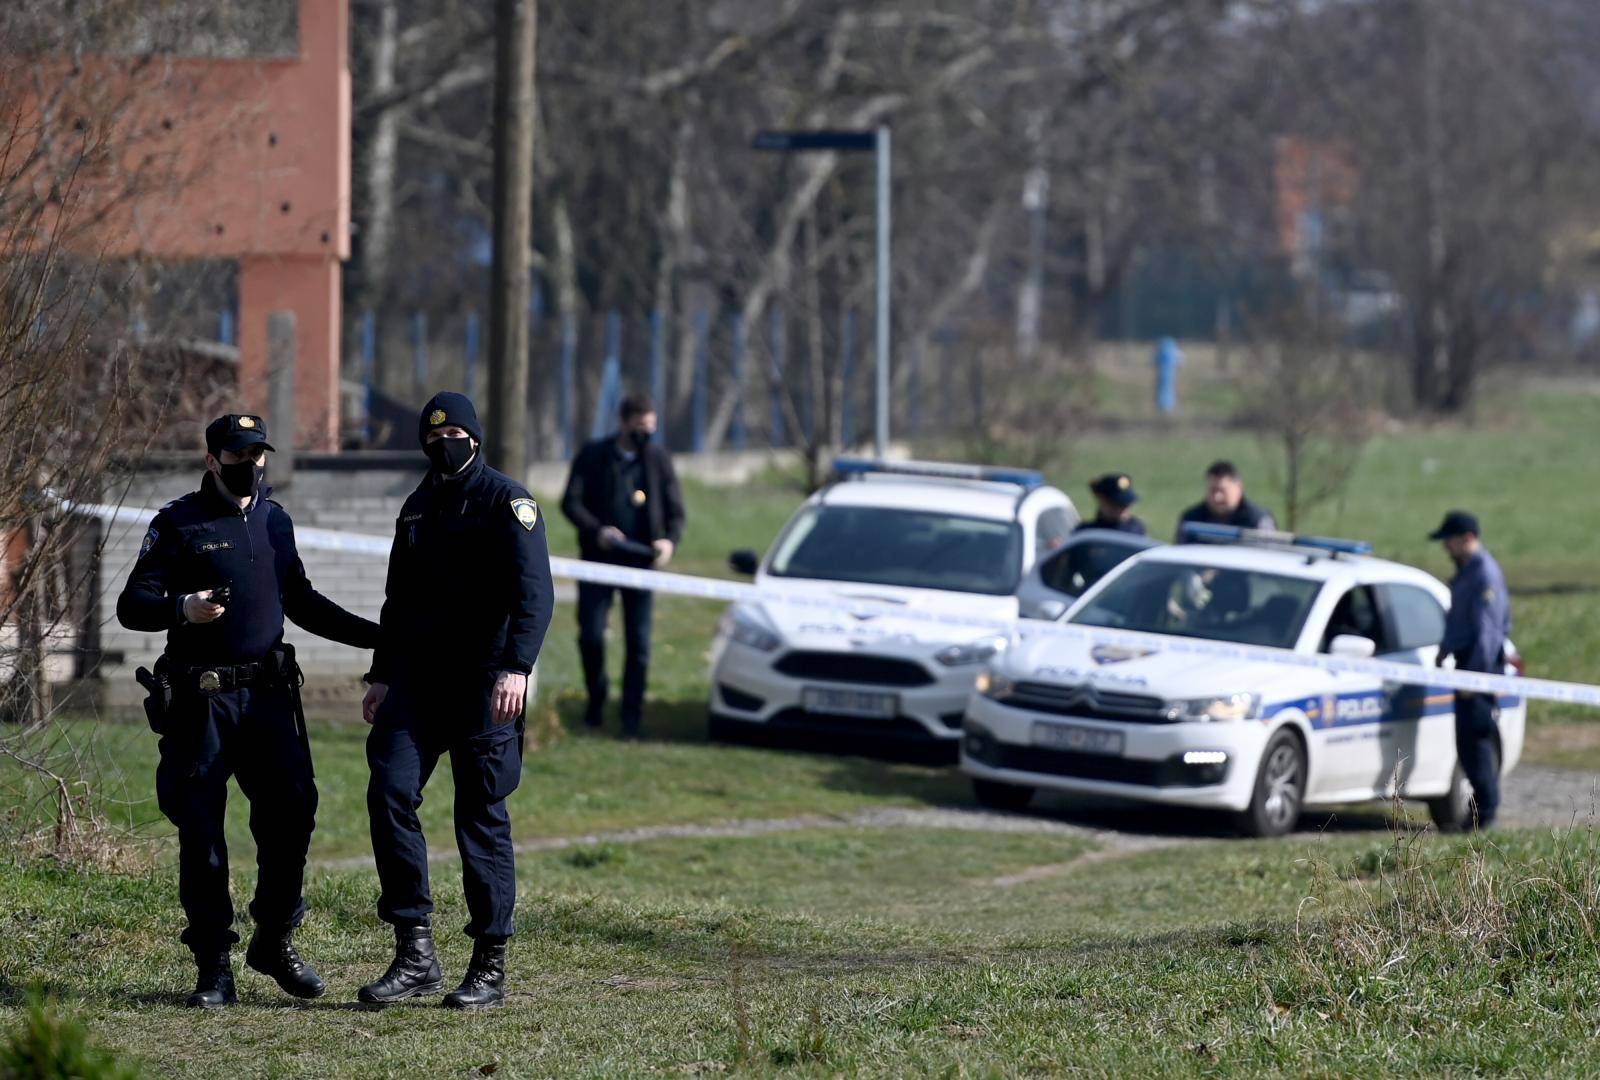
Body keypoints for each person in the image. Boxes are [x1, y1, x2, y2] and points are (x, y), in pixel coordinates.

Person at [116, 414, 380, 1009]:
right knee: (203, 834)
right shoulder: (177, 522)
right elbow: (133, 605)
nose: (250, 465)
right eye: (238, 455)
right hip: (201, 703)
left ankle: (274, 937)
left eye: (258, 453)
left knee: (293, 816)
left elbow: (303, 600)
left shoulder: (274, 519)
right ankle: (214, 967)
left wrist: (377, 638)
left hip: (267, 699)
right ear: (213, 460)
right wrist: (182, 608)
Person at [358, 392, 554, 1011]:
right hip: (417, 684)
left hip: (484, 688)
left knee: (480, 817)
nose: (445, 447)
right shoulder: (417, 508)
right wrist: (383, 675)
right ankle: (415, 952)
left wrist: (516, 667)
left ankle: (489, 965)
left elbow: (535, 594)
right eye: (434, 440)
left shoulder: (508, 502)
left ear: (475, 439)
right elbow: (398, 599)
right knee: (389, 790)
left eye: (455, 437)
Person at [560, 393, 685, 735]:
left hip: (641, 565)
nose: (646, 433)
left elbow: (676, 511)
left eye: (651, 427)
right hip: (598, 561)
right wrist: (597, 530)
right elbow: (571, 502)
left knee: (639, 643)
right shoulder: (594, 455)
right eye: (640, 426)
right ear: (625, 422)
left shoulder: (658, 460)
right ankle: (596, 702)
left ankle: (632, 715)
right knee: (592, 635)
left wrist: (668, 542)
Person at [1431, 510, 1512, 829]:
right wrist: (1445, 649)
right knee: (1467, 745)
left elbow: (1487, 633)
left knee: (1477, 744)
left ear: (1467, 539)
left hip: (1478, 670)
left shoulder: (1484, 576)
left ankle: (1486, 815)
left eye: (1449, 541)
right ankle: (1475, 817)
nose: (1445, 548)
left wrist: (1473, 679)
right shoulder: (1468, 571)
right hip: (1466, 664)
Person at [1176, 460, 1277, 539]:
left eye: (1222, 491)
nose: (1217, 497)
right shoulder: (1191, 520)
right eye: (1213, 491)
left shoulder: (1258, 521)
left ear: (1239, 488)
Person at [1076, 473, 1147, 535]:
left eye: (1126, 504)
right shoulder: (1086, 533)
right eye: (1117, 504)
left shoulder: (1136, 530)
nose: (1123, 508)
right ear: (1102, 499)